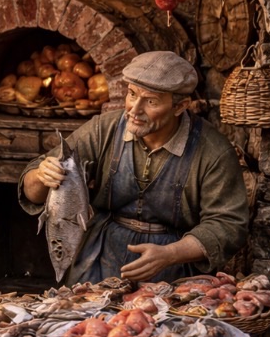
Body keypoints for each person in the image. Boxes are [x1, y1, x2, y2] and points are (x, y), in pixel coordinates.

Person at [19, 50, 249, 283]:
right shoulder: (103, 130)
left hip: (176, 271)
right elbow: (32, 191)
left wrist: (170, 254)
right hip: (99, 260)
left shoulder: (212, 151)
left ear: (180, 106)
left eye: (151, 101)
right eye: (131, 94)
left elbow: (227, 224)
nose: (134, 110)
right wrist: (41, 175)